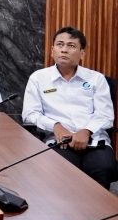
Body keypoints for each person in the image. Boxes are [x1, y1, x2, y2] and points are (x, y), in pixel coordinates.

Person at [22, 26, 115, 189]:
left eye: (71, 46)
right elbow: (30, 114)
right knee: (62, 169)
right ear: (52, 50)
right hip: (59, 142)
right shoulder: (38, 78)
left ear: (82, 53)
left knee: (103, 167)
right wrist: (55, 126)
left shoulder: (96, 79)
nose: (64, 50)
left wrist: (86, 131)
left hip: (94, 141)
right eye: (60, 44)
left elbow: (106, 115)